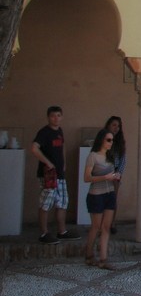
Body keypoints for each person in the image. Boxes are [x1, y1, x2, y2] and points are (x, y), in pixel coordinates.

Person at [29, 106, 81, 245]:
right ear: (48, 117)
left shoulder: (59, 131)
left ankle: (62, 231)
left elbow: (62, 146)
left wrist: (63, 163)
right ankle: (44, 233)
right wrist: (47, 162)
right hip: (48, 175)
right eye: (53, 116)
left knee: (62, 202)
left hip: (60, 174)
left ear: (62, 117)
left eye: (58, 115)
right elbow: (34, 148)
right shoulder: (44, 132)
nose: (56, 118)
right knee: (46, 202)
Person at [83, 128, 120, 270]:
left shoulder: (111, 157)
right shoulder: (93, 156)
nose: (111, 142)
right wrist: (105, 177)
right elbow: (86, 178)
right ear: (102, 140)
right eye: (108, 140)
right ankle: (89, 255)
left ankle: (103, 259)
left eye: (112, 140)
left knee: (106, 227)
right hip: (96, 194)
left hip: (109, 192)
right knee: (96, 226)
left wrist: (115, 176)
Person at [104, 116, 126, 234]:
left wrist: (119, 174)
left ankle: (112, 223)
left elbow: (123, 159)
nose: (116, 128)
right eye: (114, 125)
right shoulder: (103, 139)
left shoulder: (120, 142)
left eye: (118, 126)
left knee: (113, 199)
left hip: (115, 174)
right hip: (103, 173)